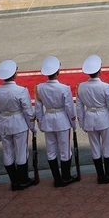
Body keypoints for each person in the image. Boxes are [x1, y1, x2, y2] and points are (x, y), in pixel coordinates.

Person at [0, 59, 37, 191]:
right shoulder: (21, 90)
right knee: (21, 152)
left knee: (8, 153)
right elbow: (28, 111)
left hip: (4, 124)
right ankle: (23, 180)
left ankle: (14, 181)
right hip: (19, 124)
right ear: (14, 74)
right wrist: (32, 127)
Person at [35, 56, 78, 188]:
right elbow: (70, 108)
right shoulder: (64, 88)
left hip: (48, 119)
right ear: (58, 72)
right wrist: (73, 124)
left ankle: (57, 179)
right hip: (62, 120)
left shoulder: (39, 88)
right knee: (65, 150)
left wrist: (41, 123)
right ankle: (66, 177)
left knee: (51, 151)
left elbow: (38, 109)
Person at [77, 55, 109, 184]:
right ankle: (108, 174)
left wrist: (82, 123)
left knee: (95, 148)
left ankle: (100, 175)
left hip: (90, 118)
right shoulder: (105, 87)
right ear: (99, 71)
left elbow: (79, 108)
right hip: (104, 118)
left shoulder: (81, 87)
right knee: (107, 147)